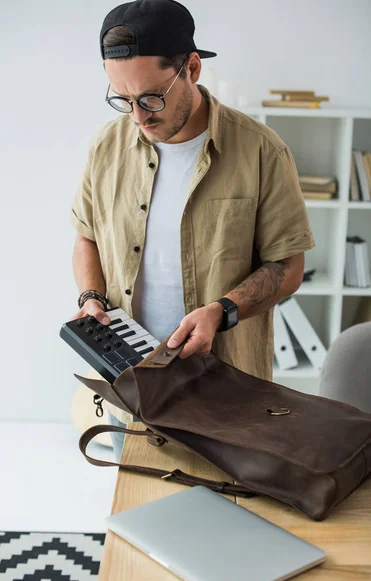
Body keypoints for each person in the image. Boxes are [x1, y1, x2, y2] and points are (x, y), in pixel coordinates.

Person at [70, 0, 315, 461]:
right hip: (127, 379)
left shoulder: (262, 151)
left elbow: (288, 266)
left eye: (151, 98)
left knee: (226, 510)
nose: (139, 117)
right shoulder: (106, 146)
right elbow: (87, 235)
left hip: (224, 383)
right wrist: (91, 298)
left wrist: (222, 311)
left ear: (193, 68)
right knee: (137, 504)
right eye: (123, 100)